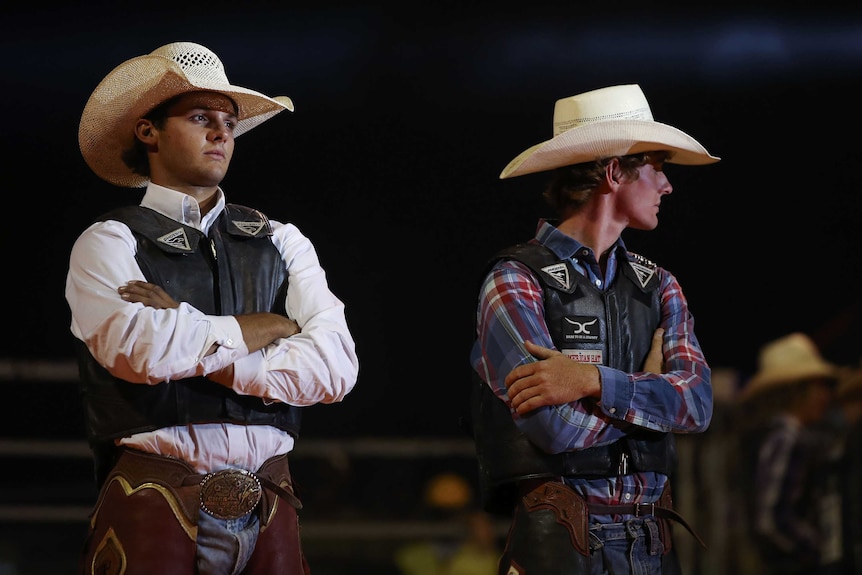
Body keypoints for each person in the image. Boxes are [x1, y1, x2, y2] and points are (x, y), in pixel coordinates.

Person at [66, 41, 359, 575]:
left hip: (268, 496)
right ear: (147, 131)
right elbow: (141, 352)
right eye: (200, 117)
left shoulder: (282, 238)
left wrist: (186, 323)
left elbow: (335, 370)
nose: (222, 132)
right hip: (152, 491)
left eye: (227, 120)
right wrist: (266, 328)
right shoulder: (108, 241)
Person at [469, 84, 717, 574]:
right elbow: (553, 428)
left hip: (653, 538)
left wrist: (592, 382)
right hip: (561, 539)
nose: (667, 185)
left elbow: (698, 404)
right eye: (658, 166)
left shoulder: (659, 284)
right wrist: (650, 399)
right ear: (613, 172)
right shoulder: (514, 278)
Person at [735, 332, 838, 575]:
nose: (825, 396)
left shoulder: (773, 435)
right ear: (797, 391)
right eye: (818, 387)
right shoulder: (785, 438)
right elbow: (771, 519)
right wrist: (822, 550)